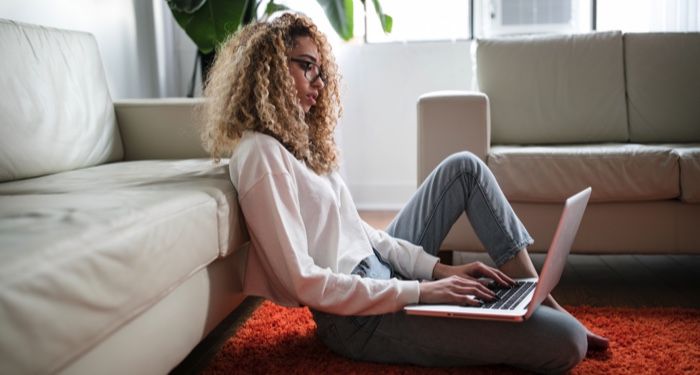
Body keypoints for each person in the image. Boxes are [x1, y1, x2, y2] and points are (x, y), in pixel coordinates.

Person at [201, 12, 608, 374]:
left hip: (381, 274)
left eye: (321, 71)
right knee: (567, 342)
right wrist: (421, 291)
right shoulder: (260, 154)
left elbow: (362, 234)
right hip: (357, 319)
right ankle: (541, 311)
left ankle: (539, 296)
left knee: (463, 167)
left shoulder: (297, 144)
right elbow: (303, 281)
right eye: (307, 67)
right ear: (269, 68)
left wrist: (437, 271)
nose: (319, 83)